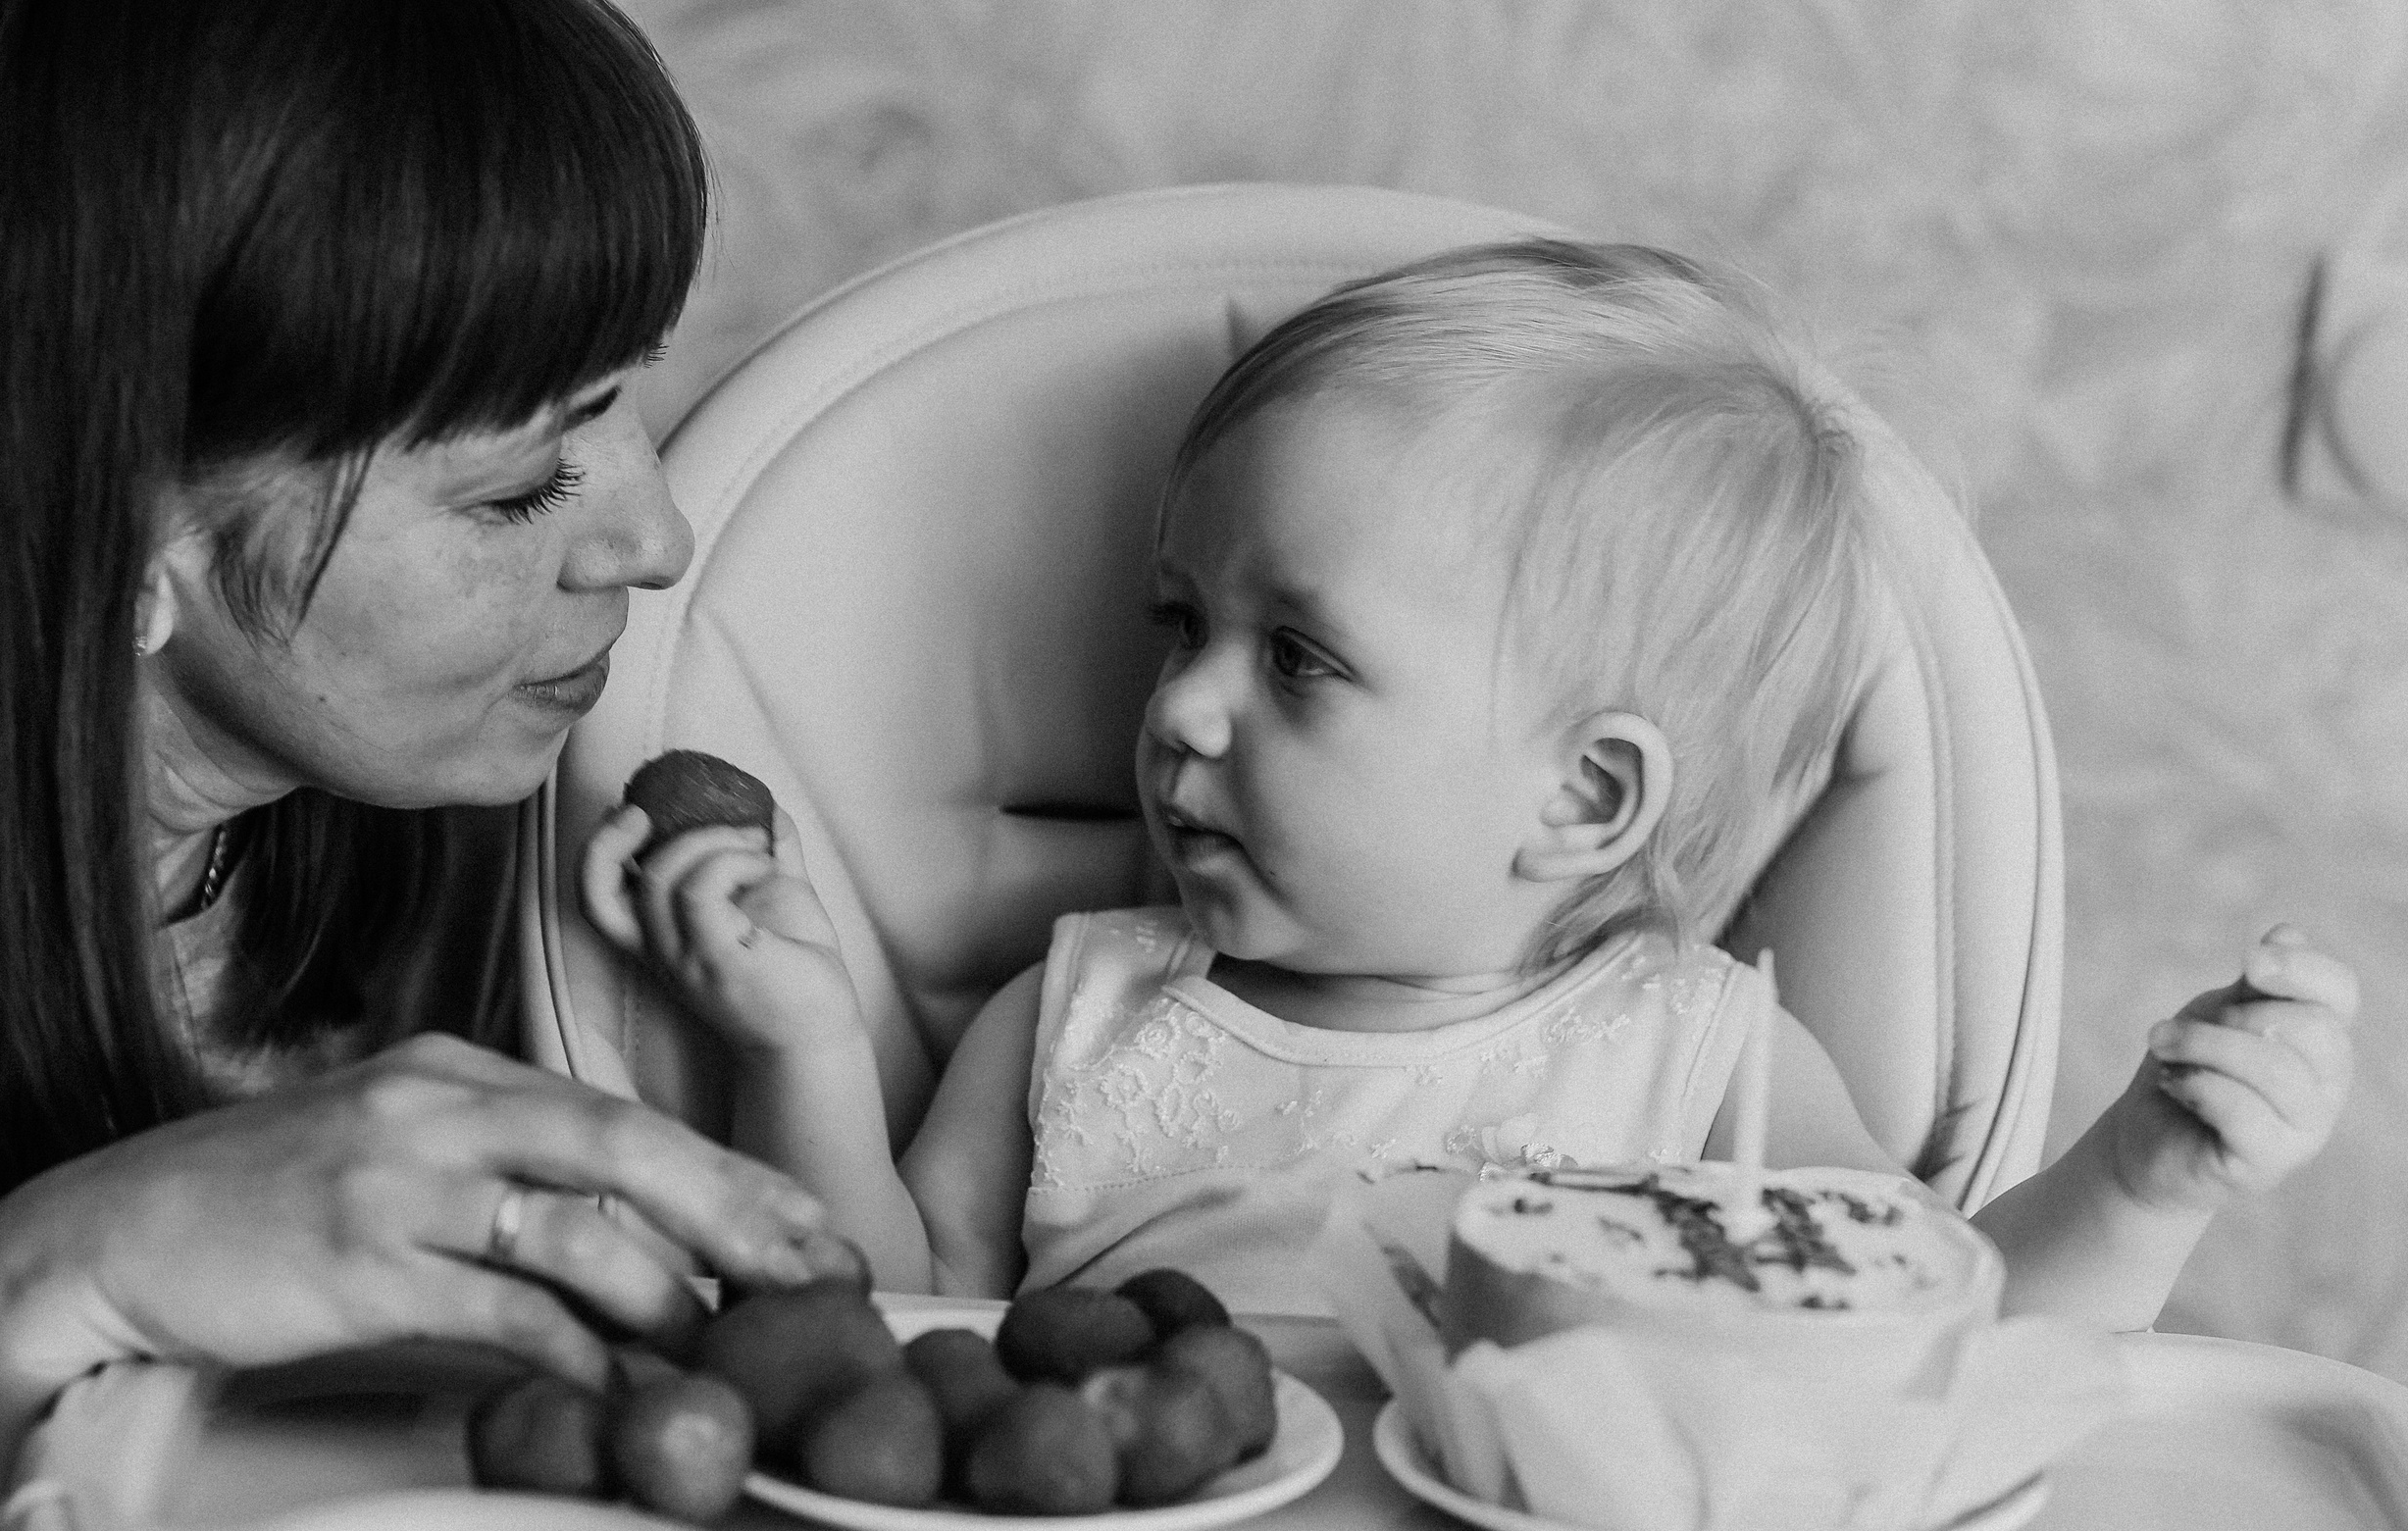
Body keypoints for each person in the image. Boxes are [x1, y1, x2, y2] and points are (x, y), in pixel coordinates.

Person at [585, 240, 2358, 1330]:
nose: (1180, 709)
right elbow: (887, 1335)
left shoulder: (1704, 1061)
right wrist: (798, 1047)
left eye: (1296, 659)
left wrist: (2141, 1182)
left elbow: (1939, 1343)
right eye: (1176, 623)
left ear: (1584, 801)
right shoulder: (1071, 1020)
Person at [0, 3, 857, 1531]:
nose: (654, 532)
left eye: (625, 399)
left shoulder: (504, 851)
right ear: (116, 526)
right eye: (513, 490)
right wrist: (45, 1280)